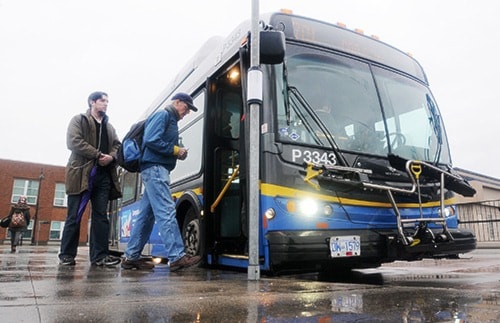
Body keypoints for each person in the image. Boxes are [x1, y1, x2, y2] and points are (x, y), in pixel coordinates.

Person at [122, 92, 201, 271]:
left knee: (146, 217)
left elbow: (156, 142)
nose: (186, 113)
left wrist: (177, 153)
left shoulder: (169, 119)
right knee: (166, 211)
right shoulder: (163, 115)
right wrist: (175, 150)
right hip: (156, 169)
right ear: (177, 102)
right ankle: (177, 256)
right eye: (186, 108)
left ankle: (131, 256)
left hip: (155, 169)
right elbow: (151, 140)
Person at [59, 91, 122, 267]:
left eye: (107, 101)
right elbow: (73, 141)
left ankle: (100, 256)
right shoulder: (79, 120)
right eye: (102, 101)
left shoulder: (109, 127)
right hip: (81, 174)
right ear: (92, 102)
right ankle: (66, 255)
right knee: (74, 215)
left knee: (101, 216)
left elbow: (118, 146)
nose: (106, 104)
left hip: (103, 176)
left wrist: (111, 157)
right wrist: (97, 154)